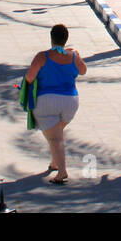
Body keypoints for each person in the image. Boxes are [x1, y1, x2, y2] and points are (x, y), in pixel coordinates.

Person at [24, 24, 87, 184]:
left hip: (46, 101)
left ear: (51, 39)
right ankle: (54, 162)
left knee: (55, 139)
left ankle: (62, 172)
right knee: (56, 134)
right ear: (66, 39)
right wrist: (77, 56)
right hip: (70, 101)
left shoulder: (42, 57)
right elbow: (83, 70)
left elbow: (30, 78)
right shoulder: (73, 55)